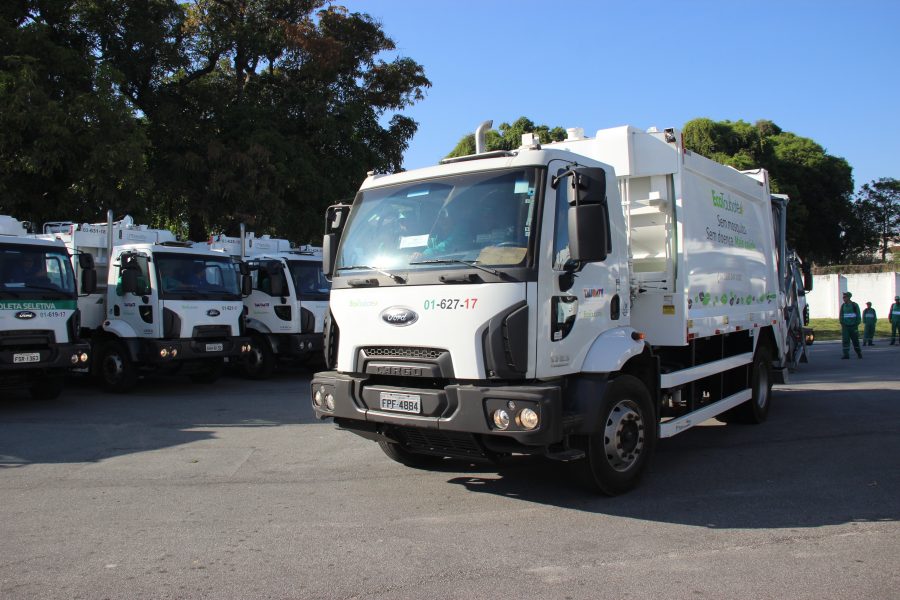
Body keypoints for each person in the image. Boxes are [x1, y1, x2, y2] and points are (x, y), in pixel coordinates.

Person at [838, 291, 862, 359]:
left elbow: (858, 315)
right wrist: (842, 323)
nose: (843, 298)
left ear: (849, 297)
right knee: (845, 340)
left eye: (845, 297)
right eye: (843, 297)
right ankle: (846, 354)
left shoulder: (854, 305)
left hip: (853, 326)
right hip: (845, 326)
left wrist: (856, 323)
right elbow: (841, 315)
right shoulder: (843, 306)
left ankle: (858, 352)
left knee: (855, 340)